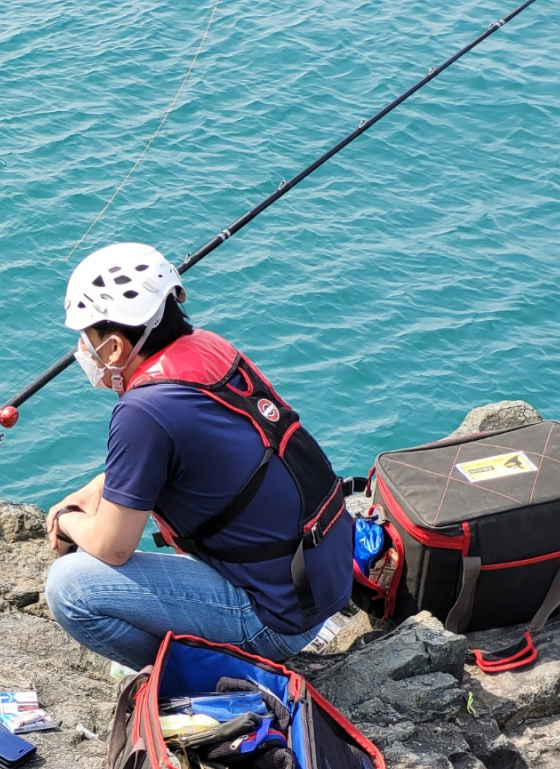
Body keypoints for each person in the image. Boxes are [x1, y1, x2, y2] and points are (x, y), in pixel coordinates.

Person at [44, 243, 352, 670]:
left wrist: (63, 518)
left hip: (274, 619)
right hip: (319, 573)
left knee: (69, 587)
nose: (84, 350)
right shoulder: (206, 349)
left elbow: (111, 549)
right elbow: (179, 454)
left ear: (114, 348)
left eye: (87, 338)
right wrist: (99, 487)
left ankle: (198, 672)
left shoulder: (142, 411)